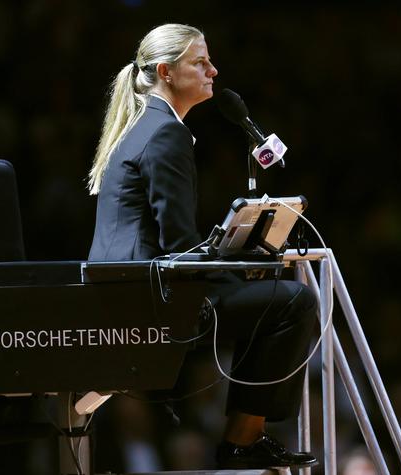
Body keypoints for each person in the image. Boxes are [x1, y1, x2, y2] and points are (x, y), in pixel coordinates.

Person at [87, 23, 318, 469]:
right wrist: (236, 261)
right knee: (294, 301)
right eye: (200, 61)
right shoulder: (165, 133)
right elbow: (177, 247)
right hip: (153, 302)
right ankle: (243, 439)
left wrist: (233, 258)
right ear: (166, 72)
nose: (213, 69)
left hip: (126, 292)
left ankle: (245, 437)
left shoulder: (143, 126)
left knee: (267, 293)